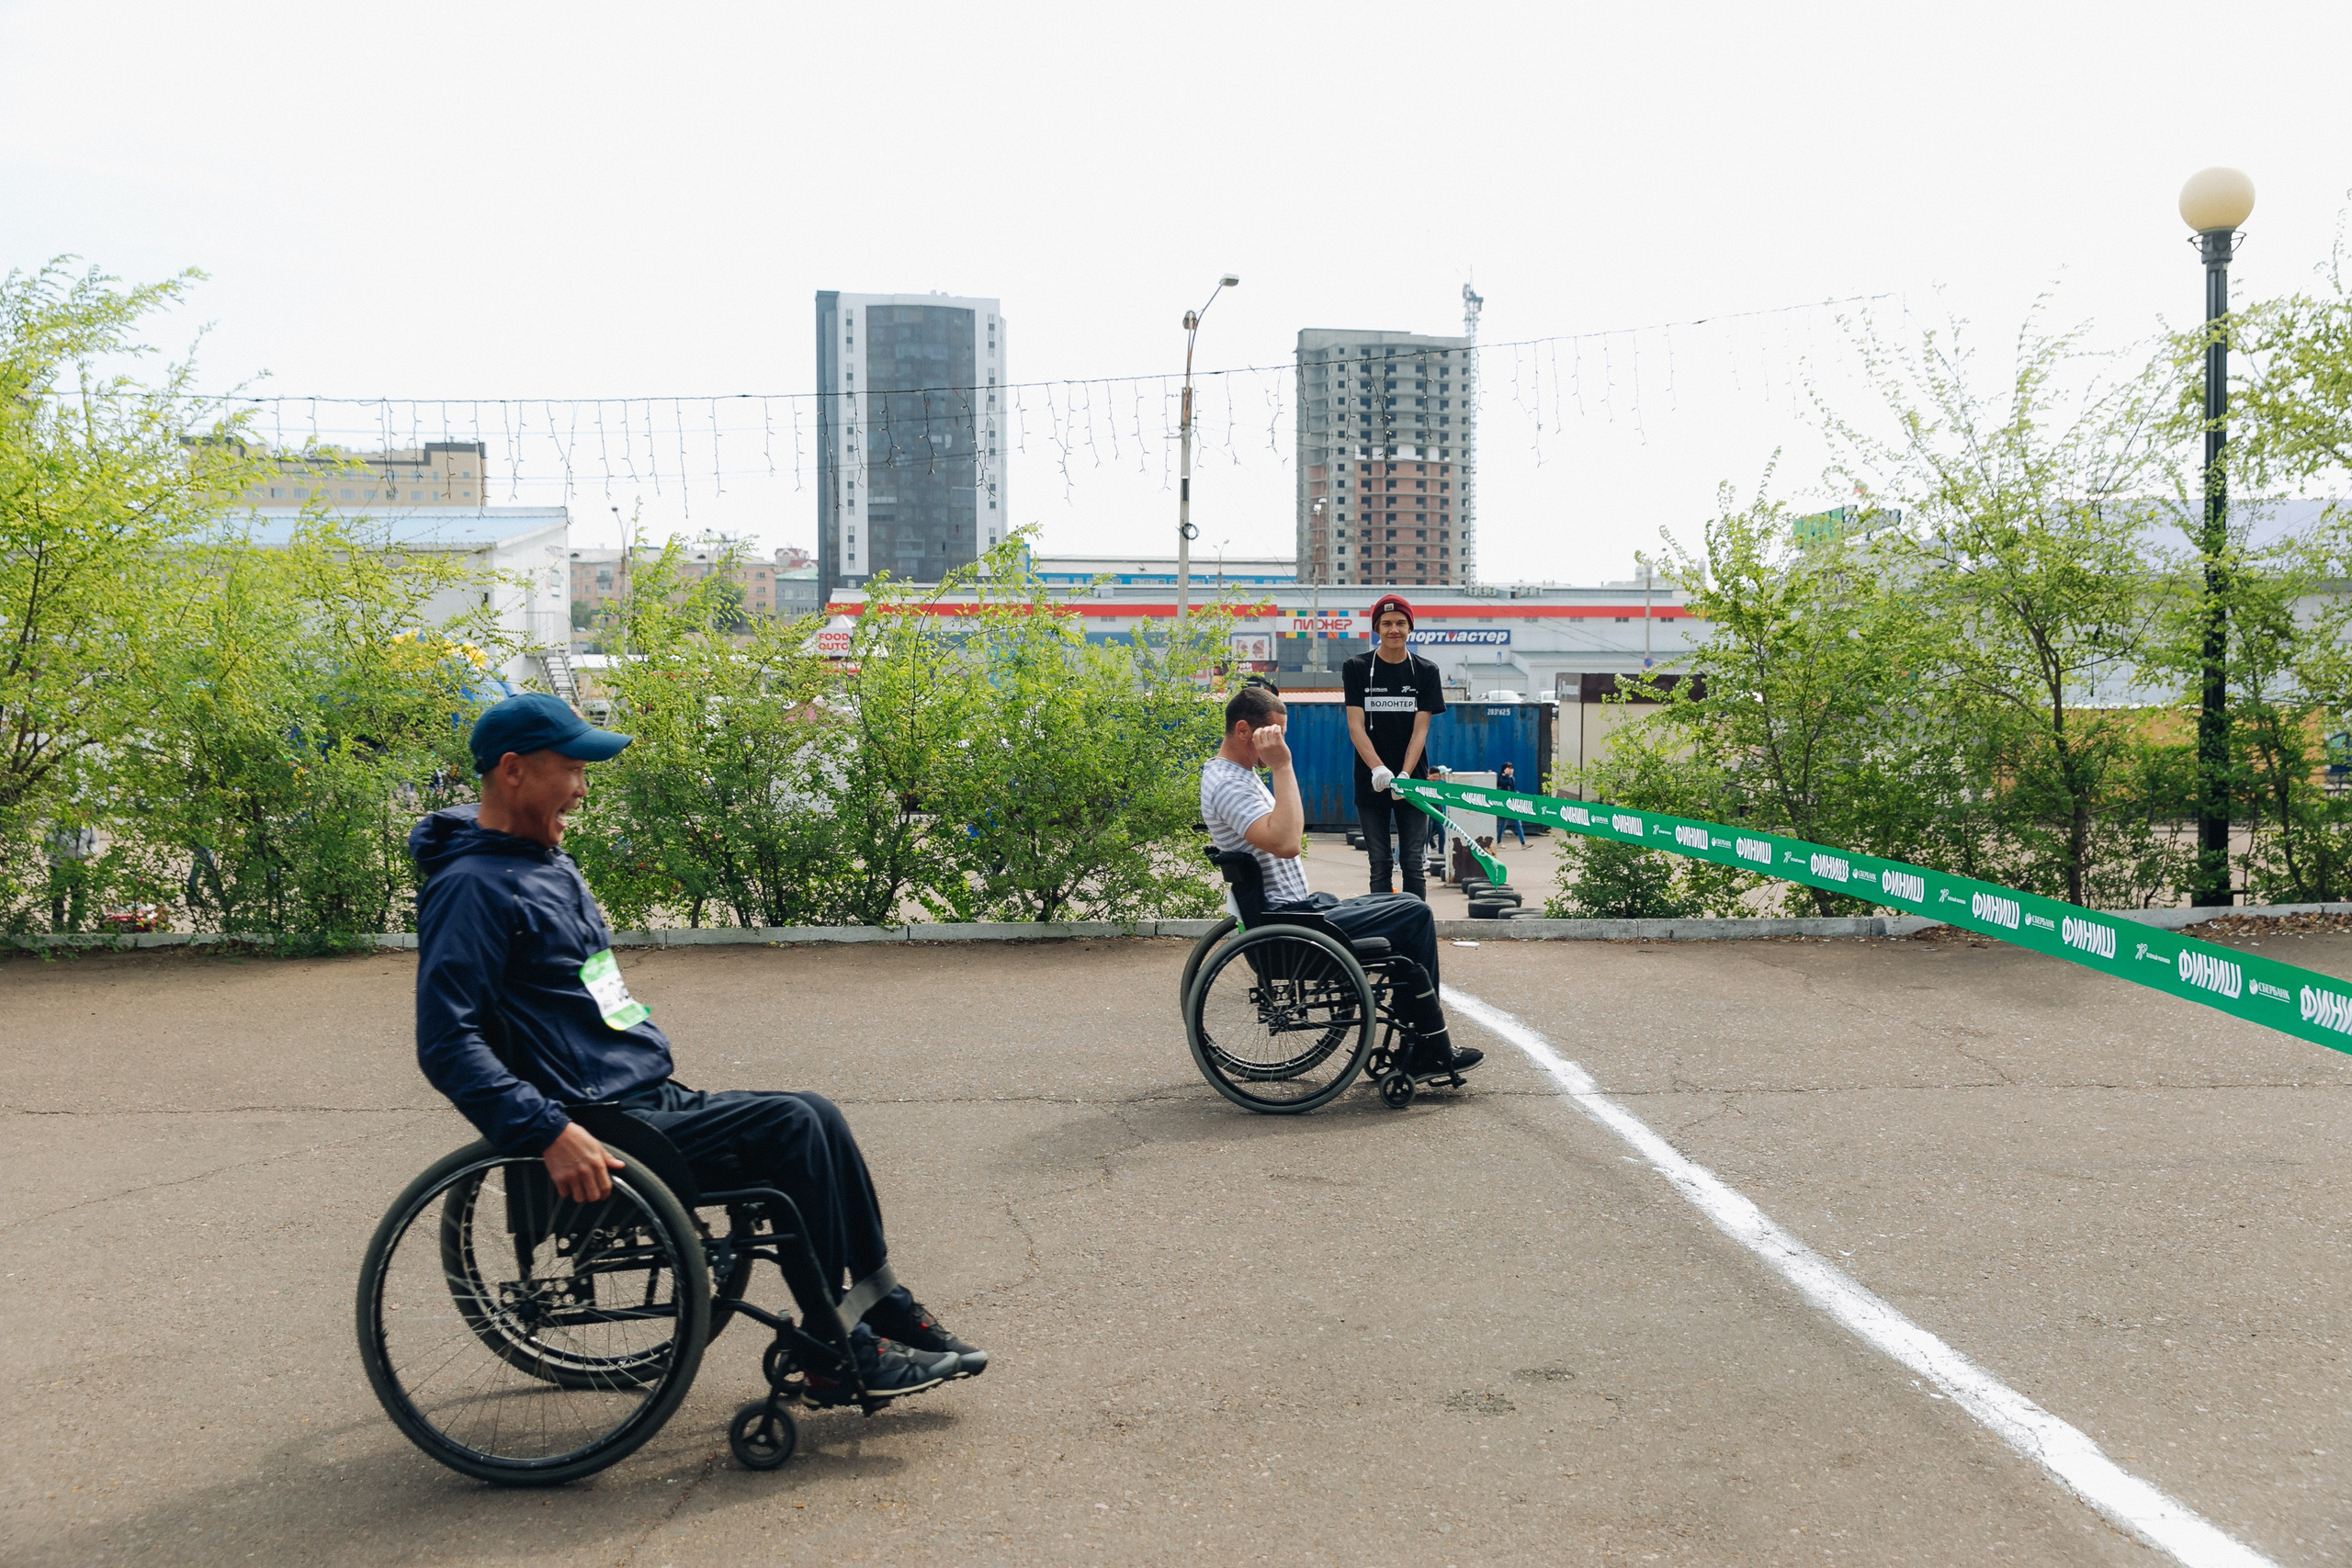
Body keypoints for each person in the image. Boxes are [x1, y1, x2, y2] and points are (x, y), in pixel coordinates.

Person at [409, 693, 985, 1401]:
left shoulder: (543, 865)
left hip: (641, 1091)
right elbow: (446, 1041)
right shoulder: (469, 888)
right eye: (573, 769)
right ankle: (839, 1348)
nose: (583, 789)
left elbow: (594, 990)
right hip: (596, 1117)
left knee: (818, 1113)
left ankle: (880, 1301)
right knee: (793, 1127)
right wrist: (547, 1130)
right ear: (513, 770)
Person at [1201, 682, 1482, 1077]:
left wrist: (1278, 767)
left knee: (1405, 907)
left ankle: (1419, 1042)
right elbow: (1287, 842)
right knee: (1414, 914)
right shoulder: (1230, 784)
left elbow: (1286, 834)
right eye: (1274, 734)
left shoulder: (1235, 776)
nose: (1279, 744)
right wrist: (1282, 766)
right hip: (1288, 923)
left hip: (1295, 913)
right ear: (1244, 730)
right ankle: (1429, 1049)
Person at [1342, 595, 1446, 900]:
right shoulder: (1356, 668)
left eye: (1401, 623)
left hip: (1412, 780)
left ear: (1410, 627)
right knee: (1380, 864)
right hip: (1370, 779)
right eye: (1386, 623)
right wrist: (1378, 768)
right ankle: (1381, 922)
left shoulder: (1426, 671)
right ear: (1377, 628)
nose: (1394, 630)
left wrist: (1404, 774)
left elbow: (1420, 730)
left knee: (1413, 862)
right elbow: (1355, 727)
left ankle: (1415, 924)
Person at [1496, 761, 1527, 846]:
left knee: (1517, 823)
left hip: (1512, 804)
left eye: (1511, 768)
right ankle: (1498, 841)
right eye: (1509, 768)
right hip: (1505, 804)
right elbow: (1506, 784)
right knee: (1503, 824)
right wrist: (1507, 775)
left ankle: (1523, 843)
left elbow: (1512, 787)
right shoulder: (1502, 778)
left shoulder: (1511, 778)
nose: (1511, 770)